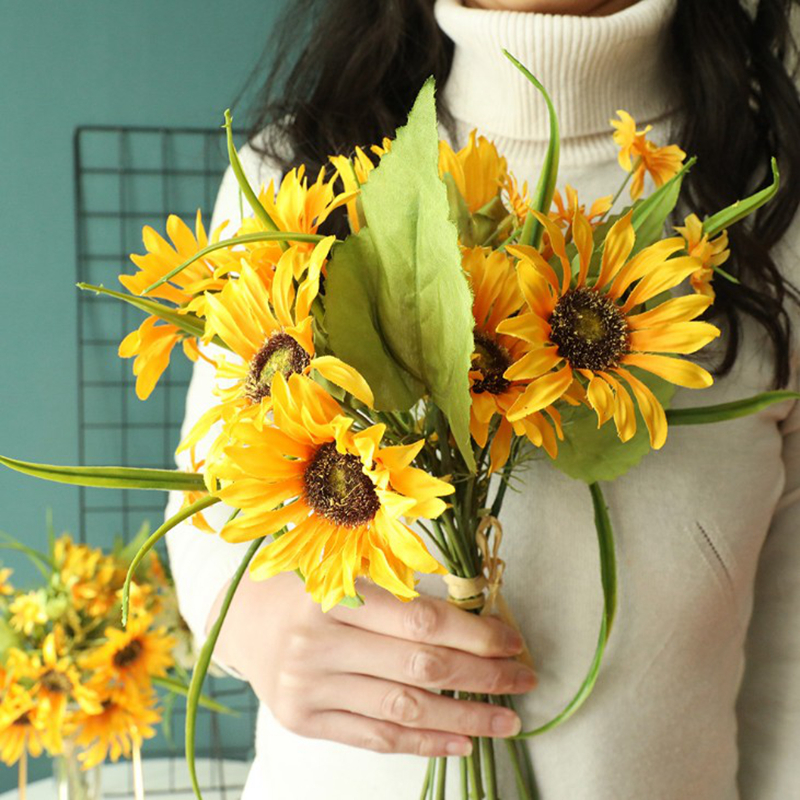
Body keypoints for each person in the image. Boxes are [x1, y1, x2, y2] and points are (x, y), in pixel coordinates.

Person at [165, 0, 800, 796]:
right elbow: (208, 518)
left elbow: (791, 670)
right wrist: (252, 623)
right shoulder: (297, 173)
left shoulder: (776, 207)